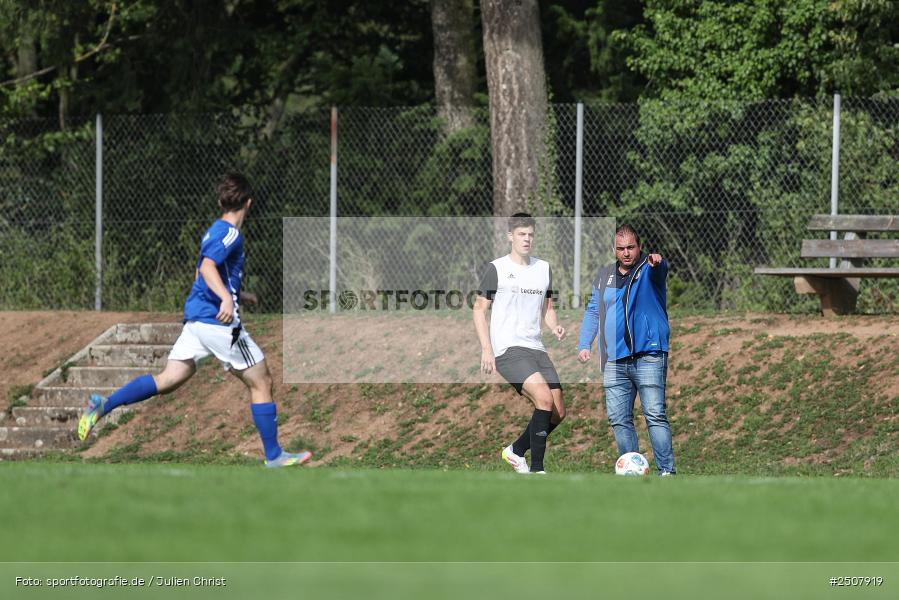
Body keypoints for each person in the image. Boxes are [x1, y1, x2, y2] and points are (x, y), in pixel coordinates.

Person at [78, 172, 311, 468]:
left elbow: (202, 273)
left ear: (220, 201)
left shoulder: (213, 230)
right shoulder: (230, 233)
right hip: (218, 324)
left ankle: (103, 404)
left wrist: (239, 293)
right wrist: (226, 299)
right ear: (249, 203)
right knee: (261, 380)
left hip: (197, 322)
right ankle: (274, 455)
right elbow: (207, 267)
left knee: (167, 380)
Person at [577, 224, 675, 475]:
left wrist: (657, 262)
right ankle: (633, 471)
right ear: (614, 250)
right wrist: (584, 343)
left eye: (631, 247)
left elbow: (660, 270)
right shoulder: (604, 276)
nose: (626, 253)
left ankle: (667, 472)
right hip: (615, 360)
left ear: (639, 247)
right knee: (619, 419)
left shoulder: (648, 269)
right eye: (621, 249)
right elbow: (593, 311)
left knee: (654, 414)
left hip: (649, 355)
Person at [473, 213, 566, 474]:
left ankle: (515, 451)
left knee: (558, 411)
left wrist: (554, 325)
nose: (527, 239)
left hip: (535, 347)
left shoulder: (543, 268)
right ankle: (537, 470)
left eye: (530, 234)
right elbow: (479, 309)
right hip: (507, 348)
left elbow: (548, 307)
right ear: (510, 236)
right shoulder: (497, 268)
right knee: (544, 398)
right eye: (521, 234)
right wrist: (487, 349)